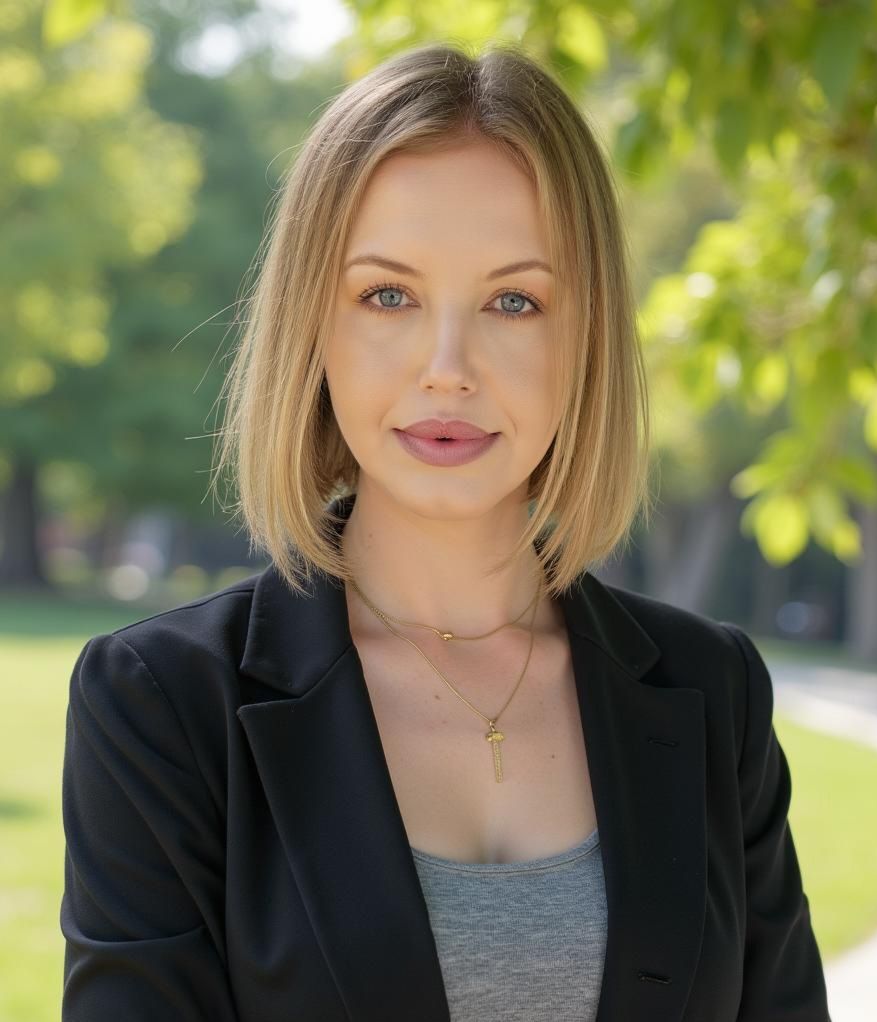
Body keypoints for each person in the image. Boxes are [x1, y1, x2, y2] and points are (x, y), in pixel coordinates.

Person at [60, 41, 831, 1022]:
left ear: (584, 333)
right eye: (388, 294)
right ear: (314, 323)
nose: (448, 366)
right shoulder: (161, 705)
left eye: (515, 300)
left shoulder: (711, 691)